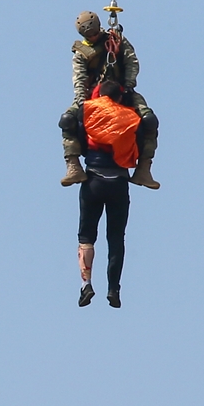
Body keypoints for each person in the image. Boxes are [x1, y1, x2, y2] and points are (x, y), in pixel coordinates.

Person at [59, 10, 160, 190]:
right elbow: (79, 78)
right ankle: (73, 165)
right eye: (89, 36)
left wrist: (128, 85)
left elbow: (131, 61)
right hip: (92, 94)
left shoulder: (116, 40)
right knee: (67, 120)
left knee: (149, 119)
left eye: (95, 33)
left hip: (122, 89)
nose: (93, 37)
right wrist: (82, 101)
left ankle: (144, 168)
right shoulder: (81, 52)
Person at [66, 81, 140, 308]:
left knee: (86, 237)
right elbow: (138, 142)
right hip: (118, 182)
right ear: (119, 98)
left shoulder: (88, 110)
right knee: (116, 239)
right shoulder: (130, 117)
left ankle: (86, 284)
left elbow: (78, 135)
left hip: (93, 181)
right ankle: (113, 289)